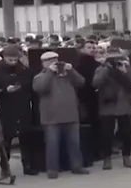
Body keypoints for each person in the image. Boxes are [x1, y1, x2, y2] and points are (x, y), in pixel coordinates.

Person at [32, 51, 89, 179]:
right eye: (49, 61)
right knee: (52, 144)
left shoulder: (67, 75)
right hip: (51, 117)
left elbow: (81, 82)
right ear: (43, 63)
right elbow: (40, 88)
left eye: (55, 60)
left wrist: (72, 70)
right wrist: (50, 72)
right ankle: (52, 169)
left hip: (71, 115)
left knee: (74, 143)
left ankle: (77, 166)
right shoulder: (39, 77)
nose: (54, 63)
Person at [0, 44, 38, 177]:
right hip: (7, 108)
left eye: (15, 59)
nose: (13, 62)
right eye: (10, 60)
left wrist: (22, 87)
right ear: (4, 58)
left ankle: (27, 165)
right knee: (6, 138)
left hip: (23, 105)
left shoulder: (24, 70)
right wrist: (3, 90)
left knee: (25, 137)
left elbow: (31, 85)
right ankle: (5, 166)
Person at [92, 48, 131, 170]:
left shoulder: (125, 68)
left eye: (117, 58)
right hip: (108, 105)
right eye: (112, 59)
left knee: (126, 133)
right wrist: (105, 70)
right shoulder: (101, 69)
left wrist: (125, 72)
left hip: (123, 105)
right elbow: (95, 83)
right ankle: (107, 158)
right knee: (106, 133)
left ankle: (126, 156)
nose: (115, 61)